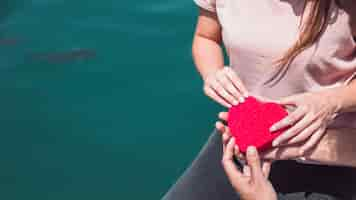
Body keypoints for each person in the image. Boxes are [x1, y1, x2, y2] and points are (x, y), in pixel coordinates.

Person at [162, 0, 356, 199]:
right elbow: (206, 37)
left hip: (330, 149)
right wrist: (212, 73)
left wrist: (330, 101)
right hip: (242, 137)